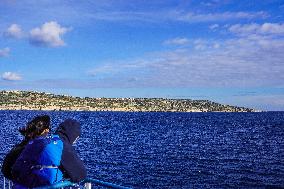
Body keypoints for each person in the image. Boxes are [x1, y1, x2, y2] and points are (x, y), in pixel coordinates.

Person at [11, 118, 87, 188]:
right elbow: (80, 174)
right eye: (76, 139)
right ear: (72, 135)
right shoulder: (61, 144)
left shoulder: (40, 140)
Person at [1, 115, 51, 181]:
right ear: (44, 130)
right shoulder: (34, 148)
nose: (48, 131)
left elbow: (6, 170)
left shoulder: (20, 147)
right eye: (48, 129)